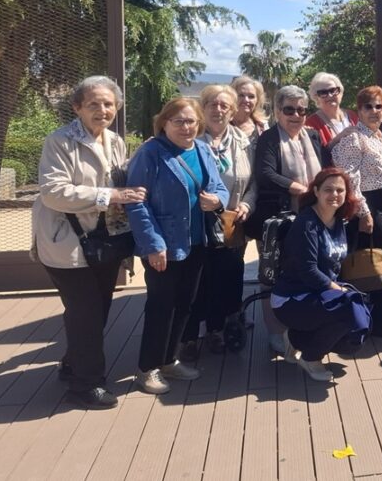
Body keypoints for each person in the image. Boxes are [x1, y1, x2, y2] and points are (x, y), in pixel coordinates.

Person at [33, 76, 144, 409]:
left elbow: (121, 179)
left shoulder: (115, 141)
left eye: (109, 103)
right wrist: (109, 195)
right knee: (86, 312)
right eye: (94, 103)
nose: (102, 110)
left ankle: (73, 363)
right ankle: (86, 385)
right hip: (65, 242)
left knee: (98, 309)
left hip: (104, 241)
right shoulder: (60, 141)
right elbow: (53, 192)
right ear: (77, 107)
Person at [126, 98, 230, 394]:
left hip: (197, 241)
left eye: (191, 121)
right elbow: (137, 202)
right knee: (161, 306)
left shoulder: (201, 149)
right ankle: (147, 368)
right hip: (164, 246)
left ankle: (169, 359)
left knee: (185, 303)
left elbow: (219, 186)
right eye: (179, 121)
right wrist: (153, 244)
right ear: (164, 123)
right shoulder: (151, 153)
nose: (186, 127)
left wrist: (218, 200)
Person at [245, 84, 327, 354]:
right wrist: (299, 189)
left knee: (306, 271)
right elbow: (265, 174)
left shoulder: (313, 136)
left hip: (312, 217)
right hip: (277, 221)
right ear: (278, 111)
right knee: (273, 275)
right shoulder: (269, 139)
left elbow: (327, 170)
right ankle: (276, 332)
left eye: (301, 110)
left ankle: (301, 327)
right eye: (289, 110)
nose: (296, 115)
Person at [271, 168, 369, 381]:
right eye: (328, 189)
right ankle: (311, 358)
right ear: (316, 191)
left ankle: (295, 339)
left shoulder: (339, 221)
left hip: (318, 293)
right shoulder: (306, 224)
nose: (335, 194)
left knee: (357, 321)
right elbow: (309, 271)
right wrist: (340, 290)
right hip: (292, 297)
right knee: (348, 310)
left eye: (340, 190)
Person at [181, 84, 256, 356]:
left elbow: (255, 181)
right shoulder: (190, 139)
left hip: (230, 222)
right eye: (212, 103)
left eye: (224, 105)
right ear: (202, 108)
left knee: (226, 278)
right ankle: (188, 337)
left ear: (233, 111)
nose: (218, 109)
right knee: (196, 280)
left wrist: (247, 204)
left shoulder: (244, 142)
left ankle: (217, 330)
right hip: (195, 222)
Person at [331, 85, 382, 338]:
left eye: (379, 106)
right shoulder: (354, 138)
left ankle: (375, 316)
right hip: (366, 205)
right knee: (375, 261)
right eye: (368, 106)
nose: (374, 111)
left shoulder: (381, 137)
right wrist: (364, 212)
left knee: (378, 262)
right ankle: (374, 320)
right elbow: (349, 179)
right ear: (359, 110)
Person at [304, 72, 356, 147]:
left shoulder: (352, 115)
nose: (330, 95)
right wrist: (337, 139)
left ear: (340, 93)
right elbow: (315, 152)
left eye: (333, 90)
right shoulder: (311, 124)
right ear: (316, 97)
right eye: (323, 93)